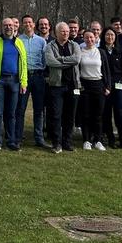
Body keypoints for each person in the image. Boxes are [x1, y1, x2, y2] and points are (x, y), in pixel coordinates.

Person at [0, 18, 28, 152]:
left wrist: (24, 82)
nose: (8, 27)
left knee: (12, 113)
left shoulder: (19, 43)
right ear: (1, 27)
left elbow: (24, 63)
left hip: (15, 81)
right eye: (5, 25)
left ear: (14, 27)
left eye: (10, 25)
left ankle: (11, 141)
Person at [44, 22, 81, 153]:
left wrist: (60, 60)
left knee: (70, 116)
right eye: (62, 31)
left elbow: (76, 59)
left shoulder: (74, 45)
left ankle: (67, 142)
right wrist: (67, 62)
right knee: (56, 115)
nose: (65, 33)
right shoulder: (50, 46)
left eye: (67, 31)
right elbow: (50, 61)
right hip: (56, 86)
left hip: (73, 85)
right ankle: (56, 143)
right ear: (56, 33)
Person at [15, 15, 49, 148]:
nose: (28, 24)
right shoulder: (18, 40)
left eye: (30, 22)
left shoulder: (41, 41)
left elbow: (45, 59)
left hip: (38, 77)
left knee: (39, 109)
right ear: (23, 25)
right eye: (25, 22)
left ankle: (39, 138)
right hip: (24, 77)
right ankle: (18, 138)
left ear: (34, 24)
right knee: (21, 108)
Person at [78, 30, 110, 150]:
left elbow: (106, 70)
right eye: (86, 38)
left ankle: (98, 140)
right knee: (85, 114)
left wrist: (108, 86)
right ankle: (86, 140)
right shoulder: (80, 52)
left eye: (91, 37)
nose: (89, 40)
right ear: (84, 39)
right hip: (85, 85)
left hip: (99, 85)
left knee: (98, 115)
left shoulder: (101, 52)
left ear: (95, 38)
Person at [100, 27, 122, 148]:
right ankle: (110, 139)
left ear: (115, 37)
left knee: (119, 112)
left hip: (118, 84)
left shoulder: (121, 51)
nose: (109, 37)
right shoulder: (100, 51)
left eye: (112, 35)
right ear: (103, 36)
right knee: (106, 113)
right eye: (107, 35)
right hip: (105, 85)